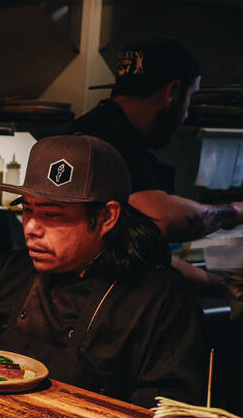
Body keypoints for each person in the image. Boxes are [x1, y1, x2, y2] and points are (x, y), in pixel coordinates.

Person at [0, 135, 207, 407]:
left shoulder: (161, 300)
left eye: (52, 214)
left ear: (107, 217)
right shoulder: (16, 269)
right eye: (27, 210)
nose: (32, 229)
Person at [76, 37, 243, 293]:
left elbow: (147, 255)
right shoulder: (113, 139)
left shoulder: (98, 127)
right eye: (190, 98)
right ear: (172, 93)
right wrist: (234, 212)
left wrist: (225, 287)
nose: (187, 114)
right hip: (98, 309)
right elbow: (161, 220)